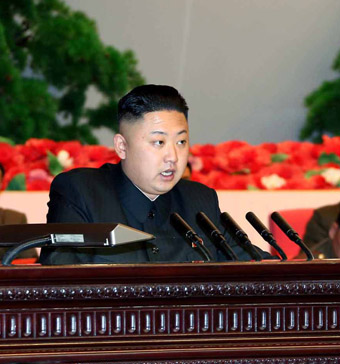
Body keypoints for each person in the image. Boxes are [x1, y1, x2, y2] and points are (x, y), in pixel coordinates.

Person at [41, 84, 269, 264]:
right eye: (158, 142)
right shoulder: (81, 192)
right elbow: (61, 276)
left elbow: (254, 265)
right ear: (122, 146)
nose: (173, 156)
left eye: (181, 142)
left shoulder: (199, 200)